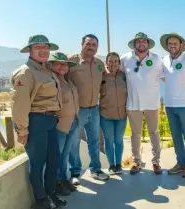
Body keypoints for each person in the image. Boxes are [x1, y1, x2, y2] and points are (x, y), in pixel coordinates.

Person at [11, 34, 66, 209]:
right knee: (37, 162)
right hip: (36, 121)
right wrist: (22, 130)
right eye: (38, 47)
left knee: (53, 160)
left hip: (49, 120)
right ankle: (41, 201)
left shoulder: (46, 70)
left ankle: (50, 194)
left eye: (45, 47)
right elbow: (19, 104)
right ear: (30, 50)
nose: (43, 50)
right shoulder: (26, 72)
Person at [120, 32, 164, 175]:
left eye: (144, 41)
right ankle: (136, 162)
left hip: (152, 104)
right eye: (138, 42)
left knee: (154, 133)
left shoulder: (157, 59)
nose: (141, 44)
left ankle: (156, 162)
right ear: (134, 44)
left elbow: (166, 78)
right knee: (135, 134)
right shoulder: (125, 59)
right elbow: (116, 76)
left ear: (148, 43)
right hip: (133, 104)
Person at [67, 34, 109, 183]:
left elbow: (106, 80)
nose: (91, 47)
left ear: (97, 47)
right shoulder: (71, 61)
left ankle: (96, 170)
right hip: (77, 110)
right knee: (75, 141)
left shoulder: (99, 64)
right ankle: (75, 173)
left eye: (94, 45)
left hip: (94, 109)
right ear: (82, 44)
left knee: (94, 140)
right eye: (88, 44)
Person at [160, 32, 185, 178]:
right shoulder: (164, 60)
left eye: (175, 43)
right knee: (176, 136)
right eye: (170, 44)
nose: (172, 46)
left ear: (181, 45)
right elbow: (164, 79)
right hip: (169, 105)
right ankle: (180, 162)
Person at [47, 52, 79, 196]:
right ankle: (55, 183)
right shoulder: (51, 81)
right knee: (56, 155)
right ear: (51, 65)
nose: (62, 66)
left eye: (65, 64)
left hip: (72, 122)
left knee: (65, 154)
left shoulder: (67, 80)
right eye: (58, 63)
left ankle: (63, 179)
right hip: (60, 124)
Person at [99, 52, 128, 175]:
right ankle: (111, 165)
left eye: (116, 61)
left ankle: (118, 164)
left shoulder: (124, 76)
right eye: (110, 61)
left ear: (119, 63)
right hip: (106, 115)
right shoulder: (102, 76)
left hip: (122, 115)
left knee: (119, 140)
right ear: (106, 63)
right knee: (109, 140)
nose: (113, 63)